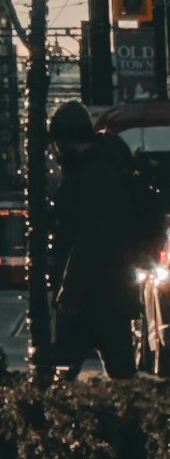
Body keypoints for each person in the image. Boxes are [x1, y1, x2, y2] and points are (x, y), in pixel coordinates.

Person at [47, 97, 166, 378]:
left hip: (90, 295)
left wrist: (69, 293)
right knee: (120, 371)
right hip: (116, 290)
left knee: (63, 373)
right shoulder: (110, 164)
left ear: (61, 139)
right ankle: (125, 417)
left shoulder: (92, 176)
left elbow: (90, 239)